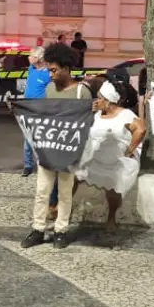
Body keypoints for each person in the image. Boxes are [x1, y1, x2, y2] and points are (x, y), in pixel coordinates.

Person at [22, 43, 94, 250]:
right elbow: (44, 116)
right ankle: (38, 228)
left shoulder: (82, 92)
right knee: (42, 190)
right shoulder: (49, 89)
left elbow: (88, 124)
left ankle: (61, 231)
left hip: (69, 153)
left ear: (66, 68)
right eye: (48, 70)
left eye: (53, 70)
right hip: (48, 149)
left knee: (64, 192)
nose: (50, 74)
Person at [75, 80, 146, 230]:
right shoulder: (97, 114)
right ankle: (63, 210)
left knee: (113, 180)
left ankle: (111, 218)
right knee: (73, 173)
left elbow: (140, 130)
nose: (97, 100)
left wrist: (130, 150)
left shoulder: (125, 114)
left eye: (100, 98)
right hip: (94, 155)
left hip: (115, 158)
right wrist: (90, 113)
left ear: (109, 101)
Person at [21, 46, 51, 177]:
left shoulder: (47, 74)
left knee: (41, 138)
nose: (28, 58)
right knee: (27, 139)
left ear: (38, 59)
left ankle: (43, 164)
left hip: (41, 110)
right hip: (28, 109)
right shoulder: (31, 69)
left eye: (31, 55)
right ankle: (27, 165)